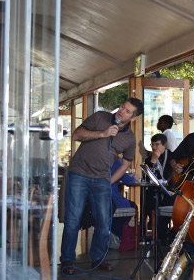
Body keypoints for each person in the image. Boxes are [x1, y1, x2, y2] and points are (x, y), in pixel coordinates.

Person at [60, 97, 143, 275]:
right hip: (79, 173)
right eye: (122, 106)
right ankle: (67, 260)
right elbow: (76, 135)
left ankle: (97, 258)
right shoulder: (100, 117)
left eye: (128, 111)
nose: (122, 111)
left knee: (104, 221)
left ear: (133, 118)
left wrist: (110, 181)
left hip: (101, 180)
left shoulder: (129, 138)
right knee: (73, 219)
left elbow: (126, 164)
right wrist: (102, 133)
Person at [144, 134, 174, 241]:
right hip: (154, 191)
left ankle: (164, 237)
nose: (154, 147)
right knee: (148, 204)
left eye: (157, 145)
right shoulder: (149, 160)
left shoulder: (172, 157)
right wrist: (153, 161)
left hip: (169, 191)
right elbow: (147, 178)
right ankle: (153, 236)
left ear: (164, 145)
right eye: (152, 145)